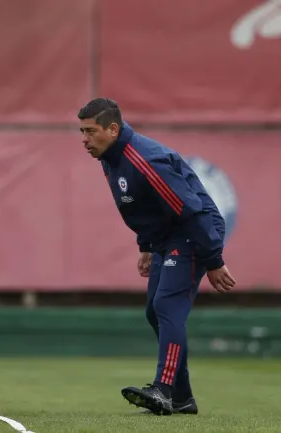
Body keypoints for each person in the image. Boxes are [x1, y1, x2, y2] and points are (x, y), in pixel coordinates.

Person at [77, 98, 236, 416]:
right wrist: (146, 245)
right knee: (155, 311)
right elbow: (140, 207)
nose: (84, 139)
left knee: (167, 306)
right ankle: (182, 397)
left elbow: (190, 210)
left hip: (193, 232)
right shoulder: (110, 156)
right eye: (81, 131)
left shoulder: (144, 160)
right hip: (168, 236)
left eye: (90, 131)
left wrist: (214, 261)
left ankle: (163, 390)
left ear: (112, 129)